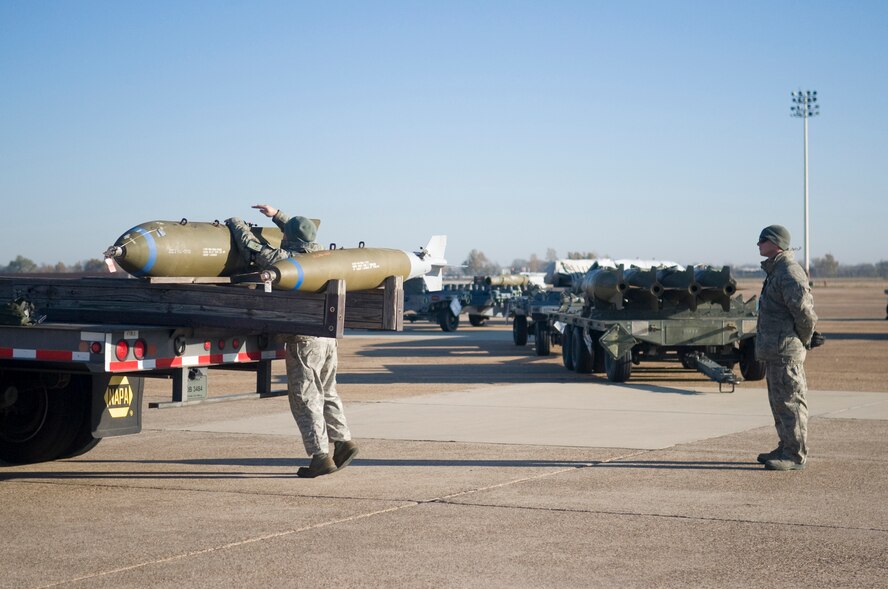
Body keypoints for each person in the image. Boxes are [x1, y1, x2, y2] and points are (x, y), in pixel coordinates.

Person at [226, 204, 359, 478]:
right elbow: (301, 232)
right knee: (327, 390)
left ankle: (320, 456)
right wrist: (277, 216)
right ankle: (343, 441)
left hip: (304, 340)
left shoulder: (286, 261)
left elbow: (251, 247)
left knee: (305, 397)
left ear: (290, 241)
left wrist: (235, 222)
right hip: (327, 338)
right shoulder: (322, 255)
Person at [754, 224, 819, 471]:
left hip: (786, 350)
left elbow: (804, 313)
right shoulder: (775, 271)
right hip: (775, 351)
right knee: (779, 403)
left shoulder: (789, 272)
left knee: (791, 402)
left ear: (776, 243)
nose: (758, 245)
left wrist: (805, 339)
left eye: (762, 240)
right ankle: (785, 446)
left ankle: (795, 454)